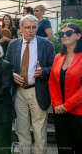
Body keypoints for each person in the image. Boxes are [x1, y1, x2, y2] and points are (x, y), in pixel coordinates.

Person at [5, 15, 55, 154]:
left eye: (34, 27)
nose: (30, 31)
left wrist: (43, 71)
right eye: (27, 27)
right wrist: (12, 74)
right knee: (22, 129)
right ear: (20, 29)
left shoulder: (47, 45)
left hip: (37, 91)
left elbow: (53, 68)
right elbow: (6, 66)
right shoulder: (13, 44)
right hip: (18, 92)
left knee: (39, 130)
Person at [49, 23, 82, 154]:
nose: (64, 35)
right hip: (59, 112)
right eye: (61, 33)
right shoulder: (58, 57)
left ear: (78, 36)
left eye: (68, 33)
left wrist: (67, 106)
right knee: (63, 147)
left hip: (78, 112)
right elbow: (52, 82)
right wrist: (57, 104)